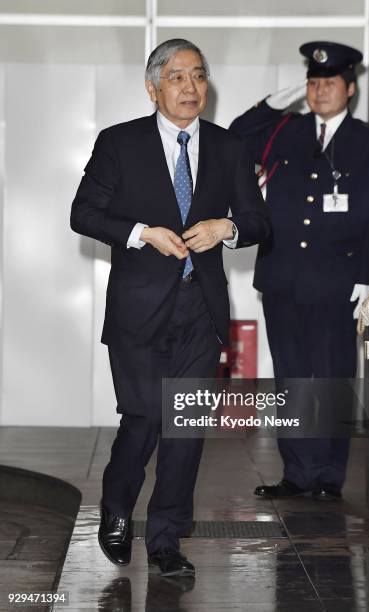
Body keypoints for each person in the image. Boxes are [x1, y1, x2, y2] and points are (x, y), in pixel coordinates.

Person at [70, 38, 268, 576]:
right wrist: (140, 234)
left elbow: (257, 219)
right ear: (152, 85)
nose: (190, 87)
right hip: (138, 309)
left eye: (199, 76)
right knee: (145, 418)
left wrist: (225, 227)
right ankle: (116, 508)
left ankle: (165, 539)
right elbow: (83, 213)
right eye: (178, 77)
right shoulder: (120, 143)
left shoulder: (228, 148)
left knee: (185, 426)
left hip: (200, 310)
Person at [230, 41, 369, 501]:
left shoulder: (368, 143)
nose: (320, 91)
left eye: (330, 84)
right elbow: (238, 135)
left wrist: (366, 277)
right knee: (292, 378)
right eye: (313, 84)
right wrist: (276, 102)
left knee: (332, 377)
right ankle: (297, 474)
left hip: (338, 283)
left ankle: (327, 476)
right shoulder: (287, 131)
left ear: (350, 88)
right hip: (283, 278)